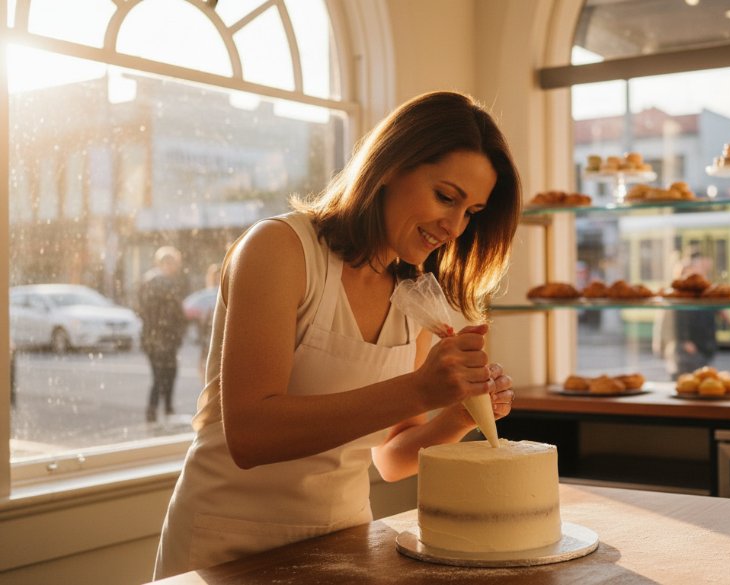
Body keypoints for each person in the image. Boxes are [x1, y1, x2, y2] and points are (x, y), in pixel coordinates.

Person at [153, 91, 521, 579]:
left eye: (471, 212)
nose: (454, 226)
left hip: (345, 545)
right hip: (227, 545)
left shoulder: (413, 294)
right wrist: (418, 388)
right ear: (391, 165)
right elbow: (250, 434)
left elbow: (392, 457)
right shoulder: (280, 250)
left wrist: (456, 414)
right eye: (446, 197)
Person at [138, 245, 188, 423]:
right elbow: (173, 313)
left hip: (153, 338)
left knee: (163, 374)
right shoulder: (164, 283)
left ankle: (160, 410)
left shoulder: (148, 281)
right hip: (163, 338)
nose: (175, 267)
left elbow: (143, 311)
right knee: (165, 374)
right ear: (165, 263)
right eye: (173, 263)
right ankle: (161, 410)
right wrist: (179, 329)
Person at [654, 252, 719, 379]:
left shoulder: (697, 294)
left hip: (700, 347)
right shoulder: (679, 296)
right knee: (689, 382)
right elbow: (675, 321)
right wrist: (685, 341)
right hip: (688, 350)